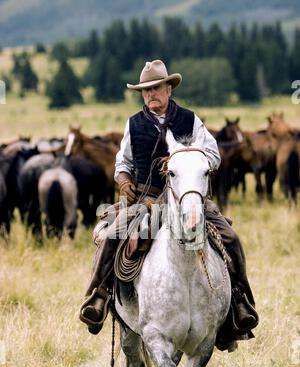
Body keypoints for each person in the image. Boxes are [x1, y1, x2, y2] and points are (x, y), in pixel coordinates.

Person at [79, 59, 258, 351]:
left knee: (231, 238)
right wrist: (124, 181)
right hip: (146, 200)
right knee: (112, 237)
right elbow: (121, 164)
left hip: (189, 197)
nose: (151, 94)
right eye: (145, 90)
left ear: (169, 89)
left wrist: (190, 159)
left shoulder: (190, 120)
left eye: (156, 88)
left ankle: (239, 303)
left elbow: (213, 155)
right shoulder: (134, 124)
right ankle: (98, 296)